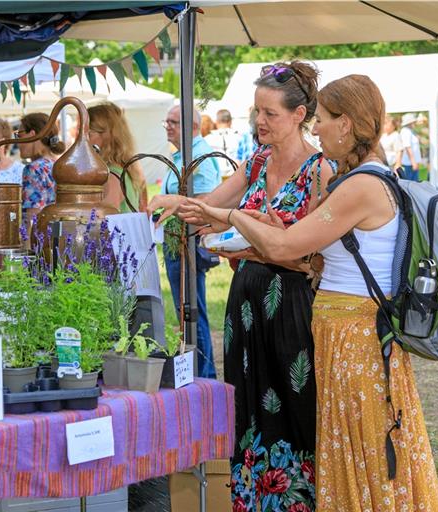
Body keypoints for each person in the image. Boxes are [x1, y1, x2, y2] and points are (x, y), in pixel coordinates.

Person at [180, 74, 438, 512]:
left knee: (363, 452)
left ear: (347, 124)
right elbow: (310, 255)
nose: (316, 129)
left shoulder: (360, 185)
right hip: (342, 335)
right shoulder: (356, 179)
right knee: (349, 453)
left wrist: (229, 216)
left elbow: (286, 249)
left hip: (355, 338)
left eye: (321, 119)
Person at [149, 61, 334, 511]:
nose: (260, 122)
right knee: (249, 407)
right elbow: (210, 209)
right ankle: (253, 501)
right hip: (246, 303)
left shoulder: (320, 171)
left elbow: (319, 257)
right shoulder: (255, 162)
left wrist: (258, 244)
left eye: (270, 113)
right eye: (256, 112)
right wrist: (177, 204)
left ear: (299, 113)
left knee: (294, 407)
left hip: (291, 305)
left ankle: (299, 501)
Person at [154, 104, 222, 380]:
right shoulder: (184, 155)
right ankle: (196, 371)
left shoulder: (201, 156)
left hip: (189, 242)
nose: (168, 126)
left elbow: (207, 202)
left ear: (192, 127)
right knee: (186, 311)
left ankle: (203, 374)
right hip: (177, 242)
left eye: (174, 122)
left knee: (193, 311)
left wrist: (176, 207)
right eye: (166, 121)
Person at [88, 103, 148, 213]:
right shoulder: (127, 169)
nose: (83, 139)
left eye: (89, 134)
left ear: (105, 136)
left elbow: (105, 225)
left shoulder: (110, 177)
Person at [15, 113, 65, 219]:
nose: (17, 143)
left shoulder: (34, 169)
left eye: (19, 135)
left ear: (33, 134)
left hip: (41, 233)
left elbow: (33, 219)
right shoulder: (60, 165)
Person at [204, 109, 242, 179]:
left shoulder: (207, 140)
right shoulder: (240, 137)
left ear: (216, 122)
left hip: (216, 178)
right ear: (230, 122)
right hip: (236, 177)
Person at [400, 113, 422, 181]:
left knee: (414, 183)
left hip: (411, 163)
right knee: (410, 183)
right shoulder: (406, 131)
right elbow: (408, 147)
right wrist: (413, 162)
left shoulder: (410, 131)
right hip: (409, 164)